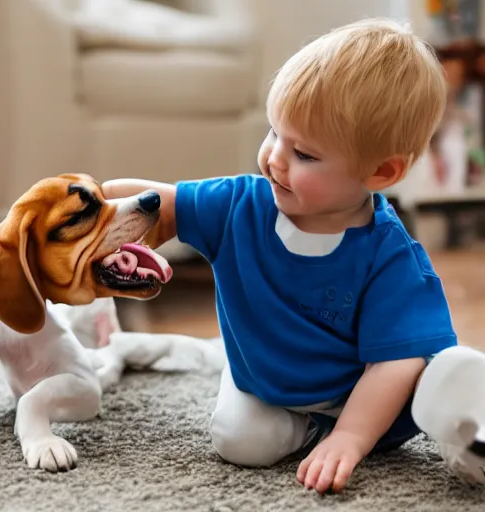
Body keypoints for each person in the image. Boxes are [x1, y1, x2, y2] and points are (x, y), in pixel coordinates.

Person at [102, 18, 485, 494]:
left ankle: (471, 409)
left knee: (437, 376)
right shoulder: (240, 205)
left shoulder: (389, 259)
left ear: (381, 172)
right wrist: (87, 208)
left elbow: (395, 365)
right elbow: (157, 205)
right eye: (274, 132)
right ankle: (278, 405)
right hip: (270, 382)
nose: (273, 159)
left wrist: (349, 436)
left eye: (303, 153)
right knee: (239, 441)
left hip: (367, 395)